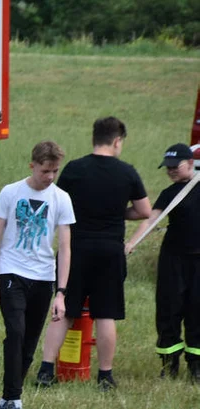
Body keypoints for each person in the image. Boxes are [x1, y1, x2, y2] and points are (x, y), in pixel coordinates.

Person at [37, 117, 151, 391]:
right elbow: (145, 211)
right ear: (116, 141)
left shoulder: (75, 169)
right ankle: (105, 376)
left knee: (63, 310)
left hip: (76, 248)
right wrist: (117, 212)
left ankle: (46, 370)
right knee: (105, 314)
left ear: (93, 139)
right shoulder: (127, 172)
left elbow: (57, 202)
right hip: (110, 250)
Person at [0, 141, 74, 409]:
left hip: (44, 278)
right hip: (12, 273)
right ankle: (14, 402)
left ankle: (8, 398)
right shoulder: (11, 193)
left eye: (55, 171)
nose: (50, 176)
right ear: (32, 166)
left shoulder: (61, 198)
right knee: (16, 332)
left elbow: (65, 247)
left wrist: (61, 293)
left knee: (29, 344)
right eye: (45, 171)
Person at [126, 143, 200, 381]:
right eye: (166, 167)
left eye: (174, 166)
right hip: (173, 260)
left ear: (190, 163)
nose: (170, 171)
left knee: (197, 312)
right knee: (169, 311)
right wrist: (131, 243)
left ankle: (196, 367)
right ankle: (169, 365)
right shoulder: (170, 193)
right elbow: (150, 221)